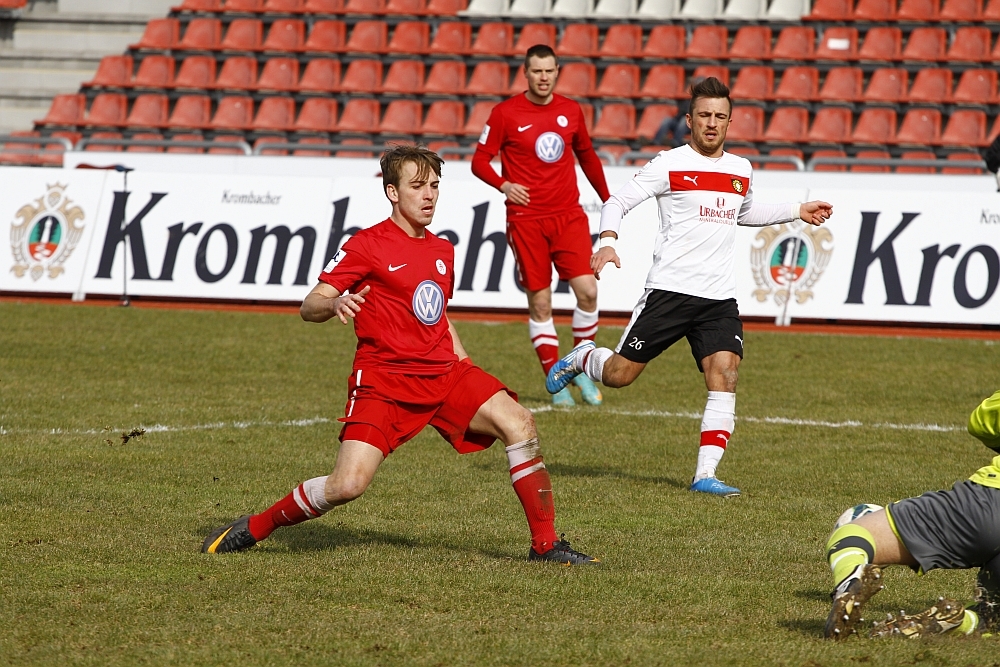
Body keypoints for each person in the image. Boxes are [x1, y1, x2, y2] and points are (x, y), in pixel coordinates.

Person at [202, 145, 598, 566]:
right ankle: (257, 525)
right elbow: (309, 304)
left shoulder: (443, 250)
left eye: (434, 186)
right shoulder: (366, 244)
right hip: (385, 382)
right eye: (417, 186)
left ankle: (545, 545)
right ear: (392, 192)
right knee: (347, 485)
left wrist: (465, 365)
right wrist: (335, 303)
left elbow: (437, 317)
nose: (429, 195)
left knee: (519, 422)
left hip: (444, 374)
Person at [545, 77, 833, 497]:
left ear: (730, 122)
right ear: (689, 120)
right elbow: (617, 202)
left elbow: (743, 212)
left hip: (718, 298)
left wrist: (796, 210)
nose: (712, 123)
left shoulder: (741, 169)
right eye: (704, 115)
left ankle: (705, 475)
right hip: (670, 291)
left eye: (719, 116)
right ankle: (585, 356)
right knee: (620, 376)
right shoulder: (668, 163)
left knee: (726, 374)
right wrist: (607, 241)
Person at [472, 44, 612, 408]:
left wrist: (609, 199)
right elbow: (479, 161)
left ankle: (578, 366)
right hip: (526, 220)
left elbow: (588, 156)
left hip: (568, 216)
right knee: (541, 303)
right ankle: (556, 378)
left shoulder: (571, 110)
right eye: (537, 71)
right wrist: (504, 184)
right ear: (526, 72)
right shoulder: (505, 113)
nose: (544, 77)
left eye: (549, 70)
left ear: (557, 71)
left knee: (588, 292)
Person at [823, 390, 1000, 640]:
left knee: (854, 532)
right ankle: (960, 622)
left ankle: (849, 581)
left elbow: (982, 422)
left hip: (990, 503)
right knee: (993, 614)